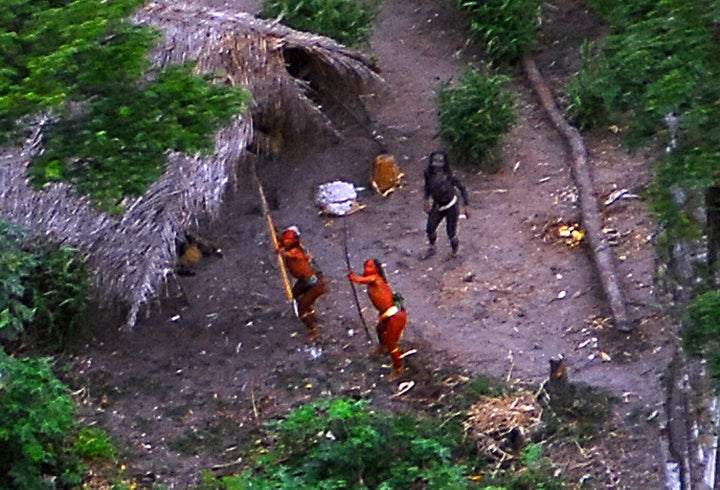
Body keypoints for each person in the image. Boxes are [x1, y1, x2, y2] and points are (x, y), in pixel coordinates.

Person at [348, 258, 407, 381]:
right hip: (386, 314)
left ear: (377, 269)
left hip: (395, 315)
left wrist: (354, 277)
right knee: (380, 330)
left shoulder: (375, 279)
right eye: (366, 267)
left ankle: (398, 368)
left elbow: (361, 280)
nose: (367, 270)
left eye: (370, 267)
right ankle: (383, 347)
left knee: (392, 344)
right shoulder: (372, 281)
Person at [276, 226, 326, 339]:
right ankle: (311, 313)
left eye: (289, 239)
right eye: (285, 238)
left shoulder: (297, 251)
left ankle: (313, 330)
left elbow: (288, 254)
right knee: (295, 296)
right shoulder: (289, 246)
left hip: (313, 282)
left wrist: (280, 251)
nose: (286, 240)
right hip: (304, 280)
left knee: (301, 307)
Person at [422, 150, 471, 257]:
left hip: (451, 206)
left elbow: (462, 188)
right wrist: (426, 200)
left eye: (439, 165)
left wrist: (466, 205)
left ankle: (455, 251)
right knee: (430, 228)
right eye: (435, 165)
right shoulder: (428, 175)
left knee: (451, 232)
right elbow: (427, 188)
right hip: (438, 205)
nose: (437, 168)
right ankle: (432, 246)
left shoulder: (449, 176)